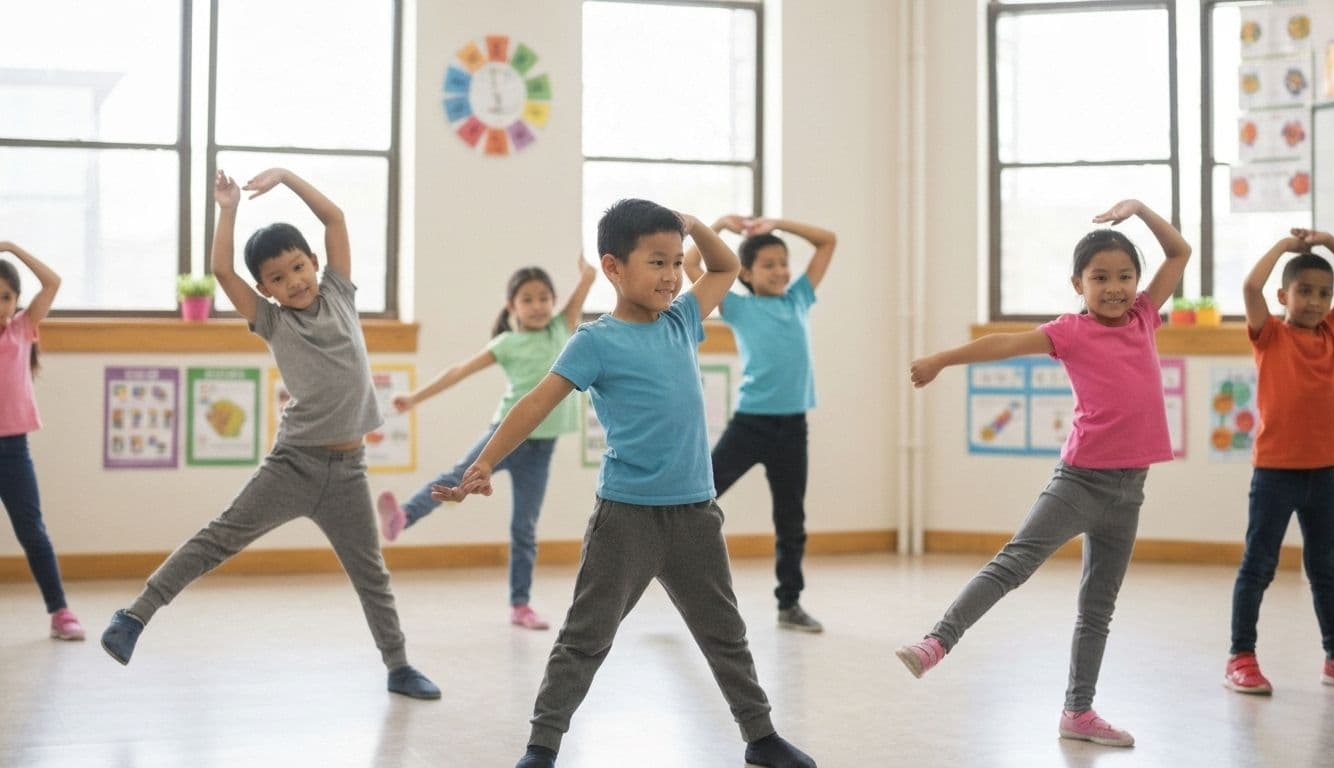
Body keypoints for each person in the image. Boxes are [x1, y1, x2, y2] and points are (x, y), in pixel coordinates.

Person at [432, 199, 815, 768]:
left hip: (696, 516)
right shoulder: (594, 341)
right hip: (627, 518)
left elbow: (727, 268)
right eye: (656, 262)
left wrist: (692, 226)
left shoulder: (683, 320)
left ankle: (760, 738)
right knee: (585, 638)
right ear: (613, 268)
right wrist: (485, 461)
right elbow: (536, 401)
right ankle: (541, 748)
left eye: (675, 262)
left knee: (725, 634)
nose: (669, 275)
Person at [99, 168, 439, 700]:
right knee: (218, 539)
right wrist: (228, 208)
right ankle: (133, 616)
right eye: (278, 278)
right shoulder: (273, 321)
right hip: (294, 465)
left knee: (371, 574)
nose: (294, 281)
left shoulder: (340, 294)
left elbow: (334, 217)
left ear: (315, 264)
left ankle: (398, 667)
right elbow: (220, 269)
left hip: (348, 473)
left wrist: (285, 177)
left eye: (299, 267)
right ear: (265, 290)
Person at [894, 199, 1191, 748]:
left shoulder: (1145, 316)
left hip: (1130, 491)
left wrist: (1142, 210)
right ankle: (937, 641)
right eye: (1099, 278)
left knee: (1098, 607)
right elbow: (1002, 343)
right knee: (1014, 562)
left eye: (1125, 276)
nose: (1114, 287)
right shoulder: (1071, 331)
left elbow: (1180, 251)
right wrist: (940, 359)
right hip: (1081, 482)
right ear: (1077, 284)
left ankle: (1079, 712)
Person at [376, 255, 595, 630]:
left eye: (544, 297)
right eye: (528, 299)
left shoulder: (563, 327)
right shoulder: (507, 343)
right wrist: (415, 398)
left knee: (524, 526)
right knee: (457, 477)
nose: (538, 305)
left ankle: (520, 605)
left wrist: (587, 268)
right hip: (504, 436)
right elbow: (458, 372)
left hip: (542, 448)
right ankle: (403, 517)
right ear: (513, 307)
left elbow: (588, 279)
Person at [1223, 228, 1334, 695]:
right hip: (1275, 472)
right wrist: (1284, 247)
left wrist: (1330, 240)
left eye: (1323, 294)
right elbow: (1250, 288)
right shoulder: (1269, 335)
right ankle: (1241, 655)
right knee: (1258, 566)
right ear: (1284, 295)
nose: (1315, 302)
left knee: (1325, 568)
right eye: (1304, 292)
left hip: (1323, 473)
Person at [683, 215, 836, 633]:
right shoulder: (737, 305)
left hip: (792, 428)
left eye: (783, 262)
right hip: (751, 425)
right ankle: (670, 566)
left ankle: (790, 604)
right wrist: (717, 227)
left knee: (791, 521)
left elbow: (827, 241)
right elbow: (692, 265)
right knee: (698, 495)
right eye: (768, 265)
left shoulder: (799, 298)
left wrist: (779, 224)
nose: (781, 271)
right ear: (746, 274)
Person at [0, 241, 84, 641]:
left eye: (6, 297)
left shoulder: (22, 329)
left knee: (32, 530)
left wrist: (13, 249)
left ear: (16, 301)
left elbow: (52, 282)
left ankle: (60, 611)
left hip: (13, 450)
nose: (0, 304)